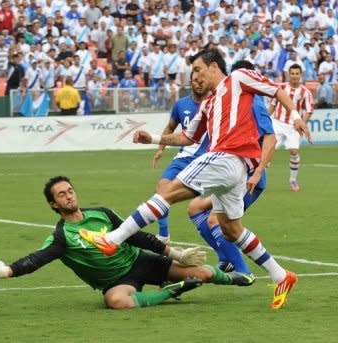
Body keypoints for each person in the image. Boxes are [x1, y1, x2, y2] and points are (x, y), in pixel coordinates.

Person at [80, 49, 312, 310]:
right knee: (230, 228)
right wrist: (154, 140)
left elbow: (276, 90)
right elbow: (187, 138)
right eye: (192, 73)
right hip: (236, 171)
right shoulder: (209, 104)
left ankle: (111, 240)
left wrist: (294, 115)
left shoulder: (238, 77)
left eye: (198, 70)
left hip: (227, 157)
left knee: (167, 192)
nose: (195, 76)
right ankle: (281, 275)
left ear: (214, 66)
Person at [0, 176, 251, 310]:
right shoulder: (61, 237)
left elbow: (137, 235)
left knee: (204, 273)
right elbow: (36, 260)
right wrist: (2, 272)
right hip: (118, 281)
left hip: (140, 261)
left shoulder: (101, 214)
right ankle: (172, 292)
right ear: (53, 204)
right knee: (116, 301)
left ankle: (235, 278)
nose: (69, 196)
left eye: (70, 190)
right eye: (61, 195)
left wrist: (175, 252)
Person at [186, 60, 277, 275]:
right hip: (231, 171)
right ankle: (226, 258)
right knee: (194, 209)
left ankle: (242, 269)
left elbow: (270, 138)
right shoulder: (227, 102)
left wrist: (258, 172)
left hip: (248, 177)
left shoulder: (254, 102)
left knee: (215, 220)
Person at [152, 73, 209, 244]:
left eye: (202, 79)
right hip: (184, 156)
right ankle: (163, 235)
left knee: (208, 208)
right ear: (190, 82)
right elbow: (170, 127)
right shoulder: (181, 104)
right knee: (161, 190)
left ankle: (223, 247)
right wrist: (160, 149)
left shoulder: (215, 104)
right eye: (196, 80)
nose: (199, 83)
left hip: (208, 158)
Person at [268, 64, 314, 192]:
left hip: (293, 126)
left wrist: (301, 122)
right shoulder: (281, 88)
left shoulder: (305, 92)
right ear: (289, 74)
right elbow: (273, 104)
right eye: (292, 73)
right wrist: (265, 119)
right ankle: (258, 176)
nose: (294, 76)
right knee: (268, 150)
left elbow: (309, 110)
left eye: (296, 73)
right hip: (277, 122)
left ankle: (293, 180)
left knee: (294, 151)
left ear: (301, 75)